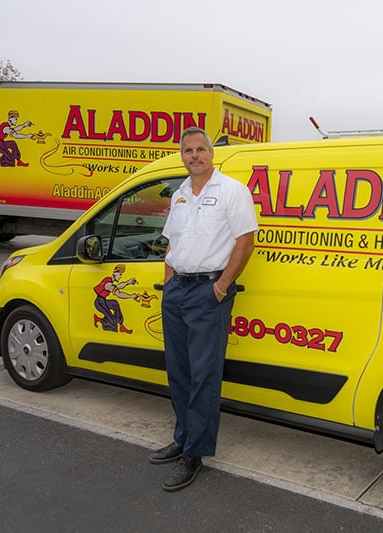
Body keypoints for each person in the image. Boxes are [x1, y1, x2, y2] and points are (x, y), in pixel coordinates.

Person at [150, 127, 257, 492]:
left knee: (203, 375)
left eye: (200, 149)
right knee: (178, 372)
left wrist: (222, 285)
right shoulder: (179, 195)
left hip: (208, 293)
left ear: (212, 154)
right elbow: (172, 243)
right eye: (187, 150)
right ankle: (182, 437)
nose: (193, 155)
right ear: (182, 156)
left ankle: (194, 453)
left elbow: (246, 240)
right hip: (177, 290)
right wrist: (168, 282)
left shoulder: (231, 192)